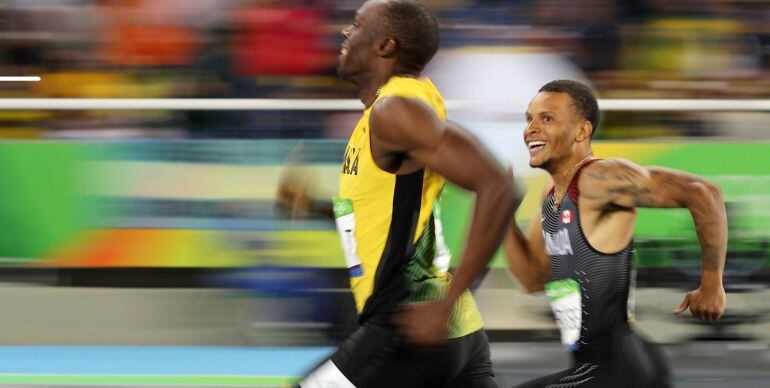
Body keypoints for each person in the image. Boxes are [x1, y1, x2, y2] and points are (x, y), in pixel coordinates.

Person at [298, 1, 514, 387]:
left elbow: (498, 186)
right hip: (455, 330)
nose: (346, 32)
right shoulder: (392, 111)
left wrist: (444, 305)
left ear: (385, 46)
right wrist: (315, 208)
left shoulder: (396, 111)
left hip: (408, 325)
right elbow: (392, 219)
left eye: (356, 25)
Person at [504, 80, 727, 387]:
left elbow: (704, 192)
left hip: (614, 368)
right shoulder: (550, 198)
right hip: (616, 362)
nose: (531, 128)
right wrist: (503, 216)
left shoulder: (597, 178)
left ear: (582, 131)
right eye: (529, 118)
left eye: (547, 118)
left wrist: (712, 283)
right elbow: (531, 279)